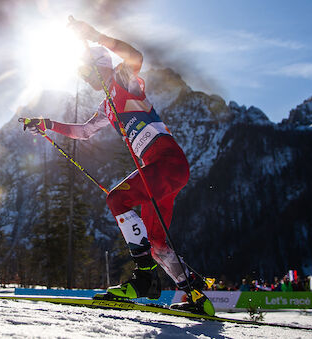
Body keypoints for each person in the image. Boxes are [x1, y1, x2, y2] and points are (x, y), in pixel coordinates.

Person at [20, 17, 213, 316]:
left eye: (88, 70)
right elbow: (83, 132)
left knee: (117, 198)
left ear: (103, 65)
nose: (86, 77)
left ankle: (145, 279)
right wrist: (47, 124)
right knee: (158, 242)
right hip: (162, 171)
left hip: (168, 164)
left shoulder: (123, 80)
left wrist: (96, 36)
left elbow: (135, 56)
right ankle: (196, 292)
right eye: (82, 74)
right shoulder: (107, 106)